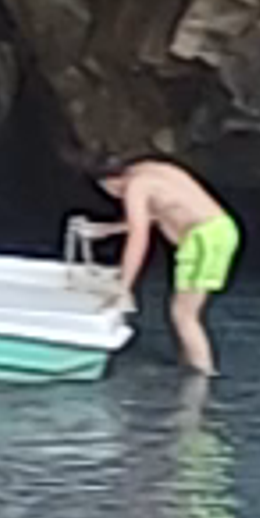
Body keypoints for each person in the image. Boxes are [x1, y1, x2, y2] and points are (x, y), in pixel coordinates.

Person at [96, 154, 240, 374]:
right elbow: (156, 213)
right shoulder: (148, 170)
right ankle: (188, 365)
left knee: (184, 314)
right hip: (219, 230)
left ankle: (204, 377)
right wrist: (105, 230)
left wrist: (124, 287)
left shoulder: (135, 186)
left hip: (204, 240)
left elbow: (138, 237)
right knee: (183, 312)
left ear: (110, 184)